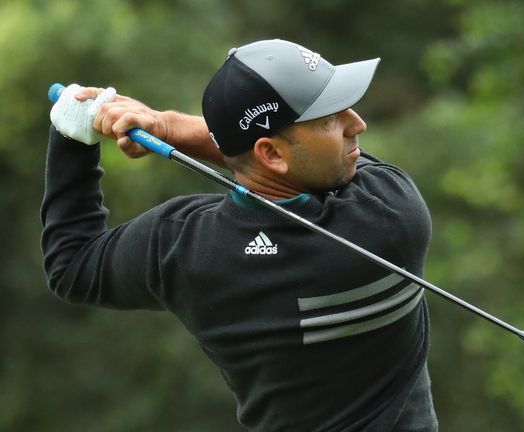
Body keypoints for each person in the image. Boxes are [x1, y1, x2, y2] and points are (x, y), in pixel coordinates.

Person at [42, 39, 437, 431]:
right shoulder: (392, 215)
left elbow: (72, 265)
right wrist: (170, 127)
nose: (357, 125)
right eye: (330, 119)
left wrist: (71, 138)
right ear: (273, 154)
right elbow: (302, 168)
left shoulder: (185, 248)